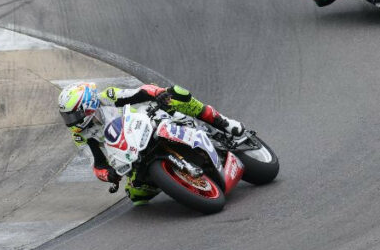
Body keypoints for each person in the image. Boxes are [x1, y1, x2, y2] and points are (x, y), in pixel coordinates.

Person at [58, 81, 244, 205]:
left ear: (88, 105)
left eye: (74, 114)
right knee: (136, 196)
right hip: (132, 151)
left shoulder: (107, 96)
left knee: (177, 94)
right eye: (67, 116)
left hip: (149, 120)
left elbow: (139, 92)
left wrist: (158, 93)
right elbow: (97, 164)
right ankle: (180, 180)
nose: (71, 120)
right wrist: (109, 175)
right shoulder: (80, 134)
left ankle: (224, 123)